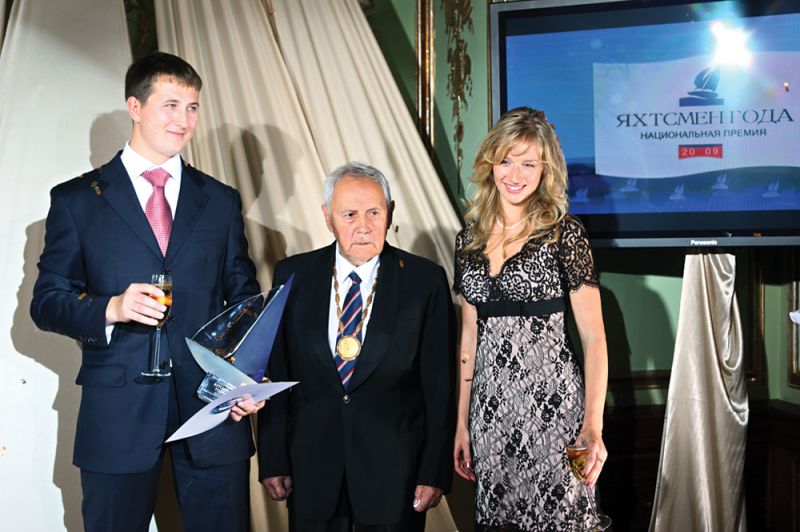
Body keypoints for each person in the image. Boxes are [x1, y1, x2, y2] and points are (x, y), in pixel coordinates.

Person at [30, 52, 263, 532]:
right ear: (134, 107)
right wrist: (112, 308)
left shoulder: (220, 201)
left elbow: (245, 302)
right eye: (170, 105)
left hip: (212, 409)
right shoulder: (76, 201)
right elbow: (47, 302)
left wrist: (246, 378)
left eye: (192, 107)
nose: (184, 120)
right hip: (117, 415)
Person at [258, 162, 456, 531]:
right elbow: (278, 374)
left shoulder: (424, 281)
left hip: (396, 472)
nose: (363, 226)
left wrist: (434, 470)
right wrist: (273, 459)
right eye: (349, 214)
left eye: (374, 212)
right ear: (327, 217)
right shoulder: (292, 275)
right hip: (312, 468)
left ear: (390, 213)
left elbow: (440, 387)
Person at [452, 107, 609, 531]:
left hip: (555, 416)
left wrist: (592, 425)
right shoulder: (467, 242)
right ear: (490, 163)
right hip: (490, 416)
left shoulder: (565, 235)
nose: (515, 174)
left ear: (545, 170)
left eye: (528, 163)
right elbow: (469, 339)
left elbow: (594, 339)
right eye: (506, 160)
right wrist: (462, 421)